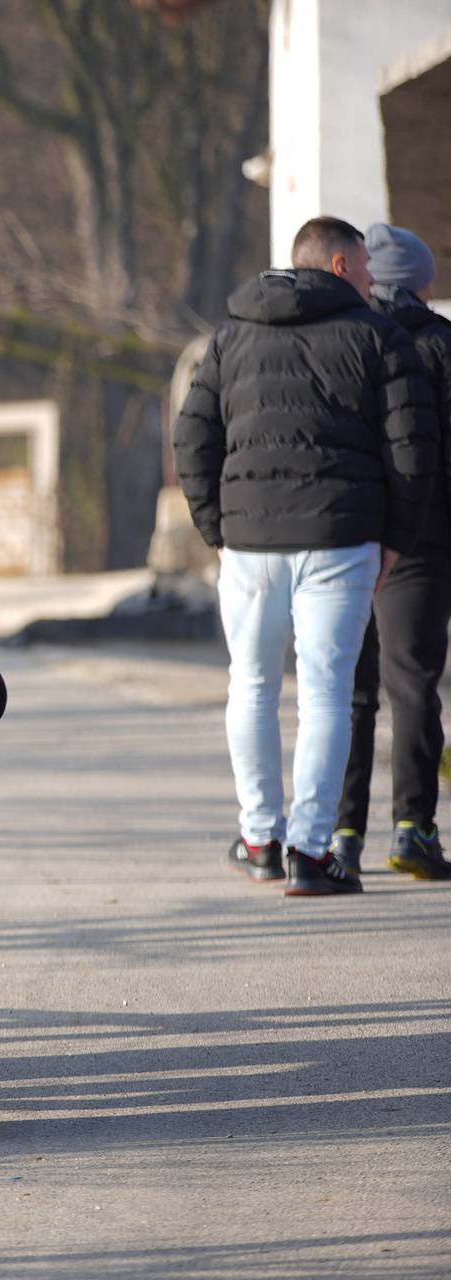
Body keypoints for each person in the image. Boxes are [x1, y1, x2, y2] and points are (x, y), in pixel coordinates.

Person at [174, 215, 436, 896]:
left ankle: (260, 838)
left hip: (249, 545)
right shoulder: (378, 338)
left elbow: (192, 438)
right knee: (325, 695)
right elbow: (413, 449)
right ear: (342, 265)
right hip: (341, 542)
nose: (376, 279)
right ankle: (312, 854)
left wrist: (217, 528)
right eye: (366, 266)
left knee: (251, 686)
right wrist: (396, 540)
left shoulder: (230, 337)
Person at [331, 223, 451, 881]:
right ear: (420, 282)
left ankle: (342, 833)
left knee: (352, 693)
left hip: (350, 539)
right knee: (413, 686)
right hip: (424, 546)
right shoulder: (439, 344)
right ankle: (414, 828)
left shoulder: (348, 341)